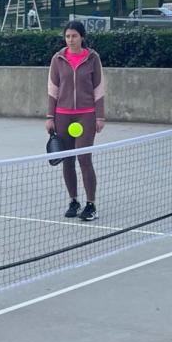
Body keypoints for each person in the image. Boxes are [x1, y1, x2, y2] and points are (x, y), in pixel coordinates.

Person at [47, 20, 106, 221]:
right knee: (68, 161)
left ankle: (91, 205)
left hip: (86, 115)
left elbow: (99, 88)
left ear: (82, 37)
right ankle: (74, 201)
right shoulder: (58, 58)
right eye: (67, 36)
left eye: (74, 36)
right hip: (62, 115)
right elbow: (52, 89)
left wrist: (99, 116)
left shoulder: (93, 58)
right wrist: (49, 117)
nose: (71, 40)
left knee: (84, 159)